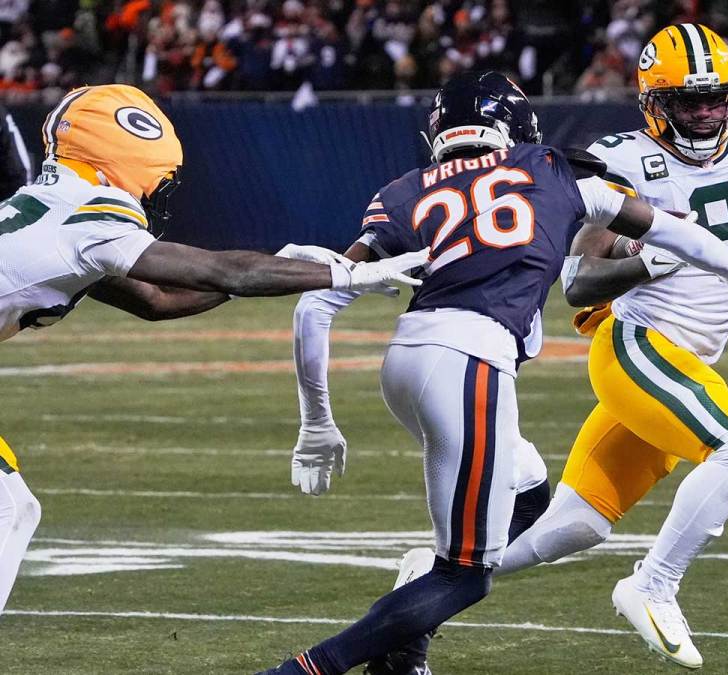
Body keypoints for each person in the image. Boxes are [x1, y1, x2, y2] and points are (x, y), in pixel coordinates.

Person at [256, 70, 728, 675]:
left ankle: (400, 651)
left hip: (407, 364)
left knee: (529, 490)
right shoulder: (550, 168)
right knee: (465, 577)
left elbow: (315, 303)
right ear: (520, 128)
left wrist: (317, 422)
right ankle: (308, 669)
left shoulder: (403, 190)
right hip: (471, 363)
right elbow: (673, 231)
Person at [494, 23, 728, 668]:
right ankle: (652, 585)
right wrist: (644, 264)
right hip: (636, 343)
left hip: (689, 358)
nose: (709, 113)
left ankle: (428, 583)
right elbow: (577, 283)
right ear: (654, 103)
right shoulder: (621, 160)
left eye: (718, 99)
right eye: (692, 102)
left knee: (573, 526)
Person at [0, 83, 428, 615]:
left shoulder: (53, 206)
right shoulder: (90, 220)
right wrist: (348, 272)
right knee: (9, 509)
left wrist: (288, 266)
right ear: (124, 159)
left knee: (12, 507)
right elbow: (226, 270)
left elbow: (156, 300)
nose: (155, 193)